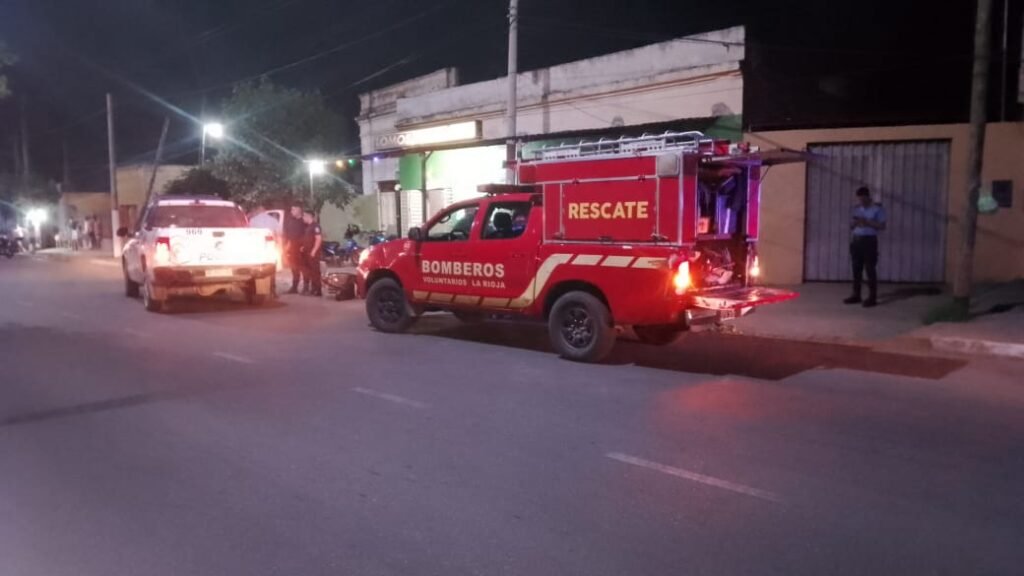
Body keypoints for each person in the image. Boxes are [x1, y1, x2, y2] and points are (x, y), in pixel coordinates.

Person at [844, 186, 886, 308]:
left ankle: (872, 297)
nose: (861, 201)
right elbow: (851, 225)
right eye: (859, 199)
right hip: (856, 240)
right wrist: (855, 222)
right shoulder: (857, 209)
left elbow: (882, 226)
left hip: (869, 241)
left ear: (868, 197)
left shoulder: (877, 209)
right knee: (856, 268)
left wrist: (867, 222)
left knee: (870, 269)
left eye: (863, 199)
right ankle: (856, 295)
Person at [282, 204, 306, 294]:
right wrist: (286, 246)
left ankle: (306, 287)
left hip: (301, 248)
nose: (291, 211)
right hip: (292, 248)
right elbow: (287, 234)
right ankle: (294, 287)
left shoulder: (304, 221)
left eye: (293, 209)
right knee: (294, 268)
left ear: (299, 210)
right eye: (291, 209)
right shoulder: (290, 221)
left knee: (304, 268)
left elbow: (307, 235)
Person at [301, 210, 323, 297]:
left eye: (304, 216)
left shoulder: (316, 226)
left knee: (315, 271)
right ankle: (313, 289)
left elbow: (318, 239)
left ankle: (318, 290)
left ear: (309, 216)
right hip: (307, 252)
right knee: (309, 271)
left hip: (313, 253)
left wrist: (314, 250)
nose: (303, 218)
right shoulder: (308, 227)